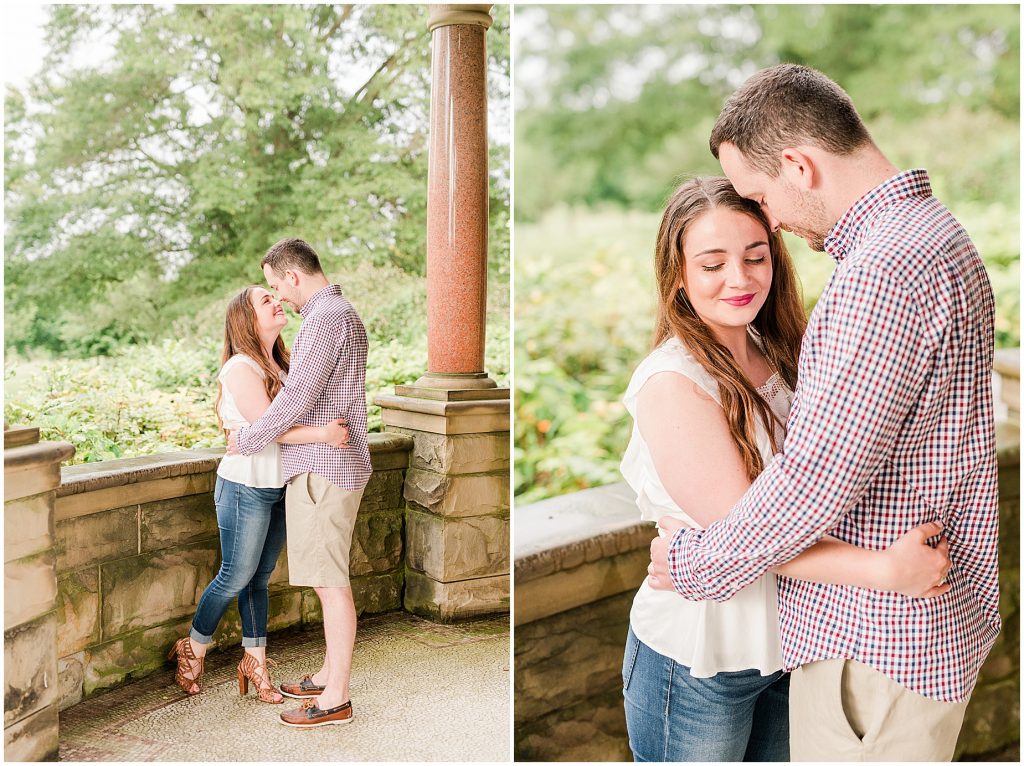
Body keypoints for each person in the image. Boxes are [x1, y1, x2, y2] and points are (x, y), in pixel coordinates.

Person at [648, 64, 1000, 762]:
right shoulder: (937, 236)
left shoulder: (881, 274)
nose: (768, 220)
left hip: (877, 643)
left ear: (797, 165)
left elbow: (812, 482)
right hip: (910, 628)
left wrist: (693, 563)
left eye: (759, 198)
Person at [621, 176, 951, 762]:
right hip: (701, 662)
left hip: (793, 647)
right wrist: (886, 571)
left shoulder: (783, 350)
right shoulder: (673, 383)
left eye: (756, 256)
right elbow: (749, 534)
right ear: (678, 276)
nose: (740, 279)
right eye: (713, 263)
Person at [168, 286, 348, 703]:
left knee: (259, 579)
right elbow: (271, 425)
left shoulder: (283, 362)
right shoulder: (240, 367)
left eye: (275, 296)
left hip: (280, 484)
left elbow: (269, 427)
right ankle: (193, 647)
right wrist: (321, 434)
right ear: (246, 319)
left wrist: (253, 436)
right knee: (234, 575)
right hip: (243, 486)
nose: (277, 302)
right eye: (265, 300)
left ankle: (256, 660)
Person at [229, 237, 372, 729]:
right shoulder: (339, 313)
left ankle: (335, 698)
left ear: (292, 275)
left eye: (275, 286)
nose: (279, 297)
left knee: (330, 585)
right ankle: (328, 673)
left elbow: (295, 399)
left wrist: (247, 439)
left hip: (323, 469)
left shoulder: (323, 319)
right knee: (327, 578)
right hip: (331, 464)